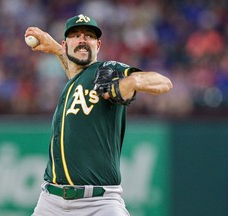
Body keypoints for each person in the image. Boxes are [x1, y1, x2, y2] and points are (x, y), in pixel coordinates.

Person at [25, 14, 173, 216]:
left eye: (89, 36)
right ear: (65, 43)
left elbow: (164, 82)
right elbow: (75, 71)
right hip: (50, 202)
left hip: (99, 203)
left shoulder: (107, 70)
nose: (83, 39)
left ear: (98, 45)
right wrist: (54, 48)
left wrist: (132, 82)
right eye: (76, 35)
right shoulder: (76, 80)